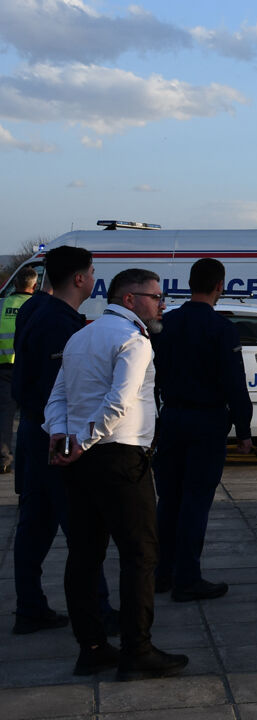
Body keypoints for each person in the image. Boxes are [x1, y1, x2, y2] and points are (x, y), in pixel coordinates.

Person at [44, 268, 188, 681]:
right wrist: (81, 441)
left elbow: (58, 396)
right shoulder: (133, 340)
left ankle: (91, 647)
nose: (161, 303)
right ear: (129, 299)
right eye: (155, 296)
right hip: (120, 460)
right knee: (139, 555)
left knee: (85, 555)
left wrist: (62, 435)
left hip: (81, 461)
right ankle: (136, 649)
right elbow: (118, 403)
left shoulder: (81, 336)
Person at [11, 247, 116, 636]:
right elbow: (61, 389)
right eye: (91, 272)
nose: (93, 278)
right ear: (78, 279)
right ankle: (99, 613)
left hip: (33, 431)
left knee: (35, 525)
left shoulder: (33, 310)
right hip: (54, 434)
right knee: (83, 530)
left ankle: (29, 607)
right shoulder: (60, 324)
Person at [151, 259, 253, 602]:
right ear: (219, 286)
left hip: (171, 419)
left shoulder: (166, 323)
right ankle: (187, 578)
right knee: (195, 502)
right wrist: (244, 429)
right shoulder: (221, 329)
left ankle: (161, 573)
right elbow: (235, 384)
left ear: (190, 283)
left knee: (168, 500)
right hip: (206, 423)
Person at [0, 266, 37, 474]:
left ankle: (4, 459)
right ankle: (30, 459)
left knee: (5, 416)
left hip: (4, 368)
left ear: (15, 283)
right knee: (31, 416)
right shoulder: (36, 305)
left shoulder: (2, 304)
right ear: (34, 285)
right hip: (30, 367)